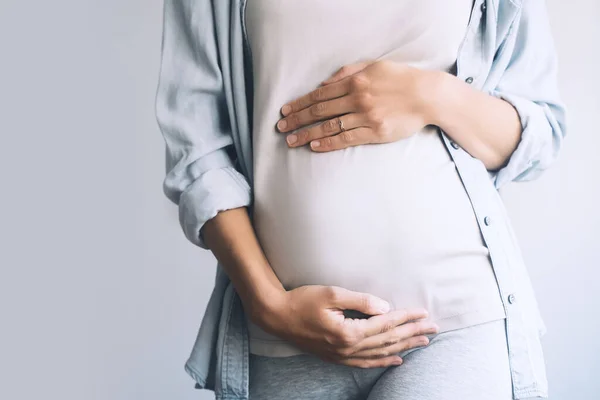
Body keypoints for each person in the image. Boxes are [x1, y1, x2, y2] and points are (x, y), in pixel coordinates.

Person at [154, 0, 567, 399]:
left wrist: (432, 95)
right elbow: (197, 147)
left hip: (452, 323)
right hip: (286, 334)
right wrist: (269, 305)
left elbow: (540, 134)